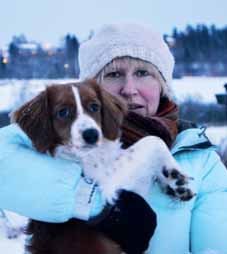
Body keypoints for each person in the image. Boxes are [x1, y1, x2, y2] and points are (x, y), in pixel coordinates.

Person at [0, 23, 226, 254]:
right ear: (94, 84)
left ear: (162, 85)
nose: (129, 89)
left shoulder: (204, 162)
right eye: (114, 74)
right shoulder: (49, 148)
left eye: (142, 73)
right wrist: (89, 201)